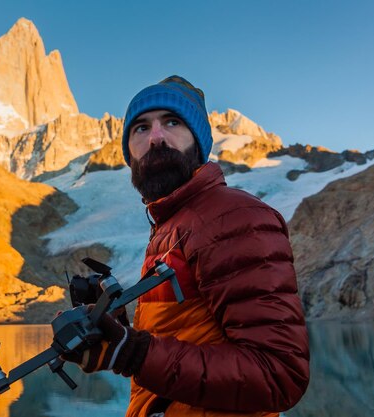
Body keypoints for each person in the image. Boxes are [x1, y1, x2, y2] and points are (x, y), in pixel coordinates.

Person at [63, 76, 310, 417]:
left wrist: (133, 353)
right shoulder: (172, 224)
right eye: (141, 128)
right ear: (128, 154)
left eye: (173, 122)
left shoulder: (233, 217)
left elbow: (278, 375)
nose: (156, 137)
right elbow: (184, 338)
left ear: (198, 142)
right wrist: (113, 345)